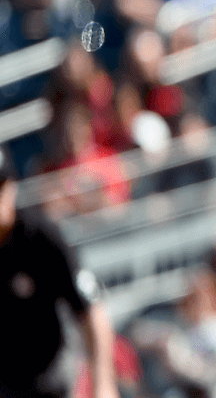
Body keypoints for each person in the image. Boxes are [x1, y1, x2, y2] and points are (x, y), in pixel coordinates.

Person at [0, 151, 120, 398]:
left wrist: (103, 385)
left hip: (50, 376)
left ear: (11, 187)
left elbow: (91, 309)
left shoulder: (40, 236)